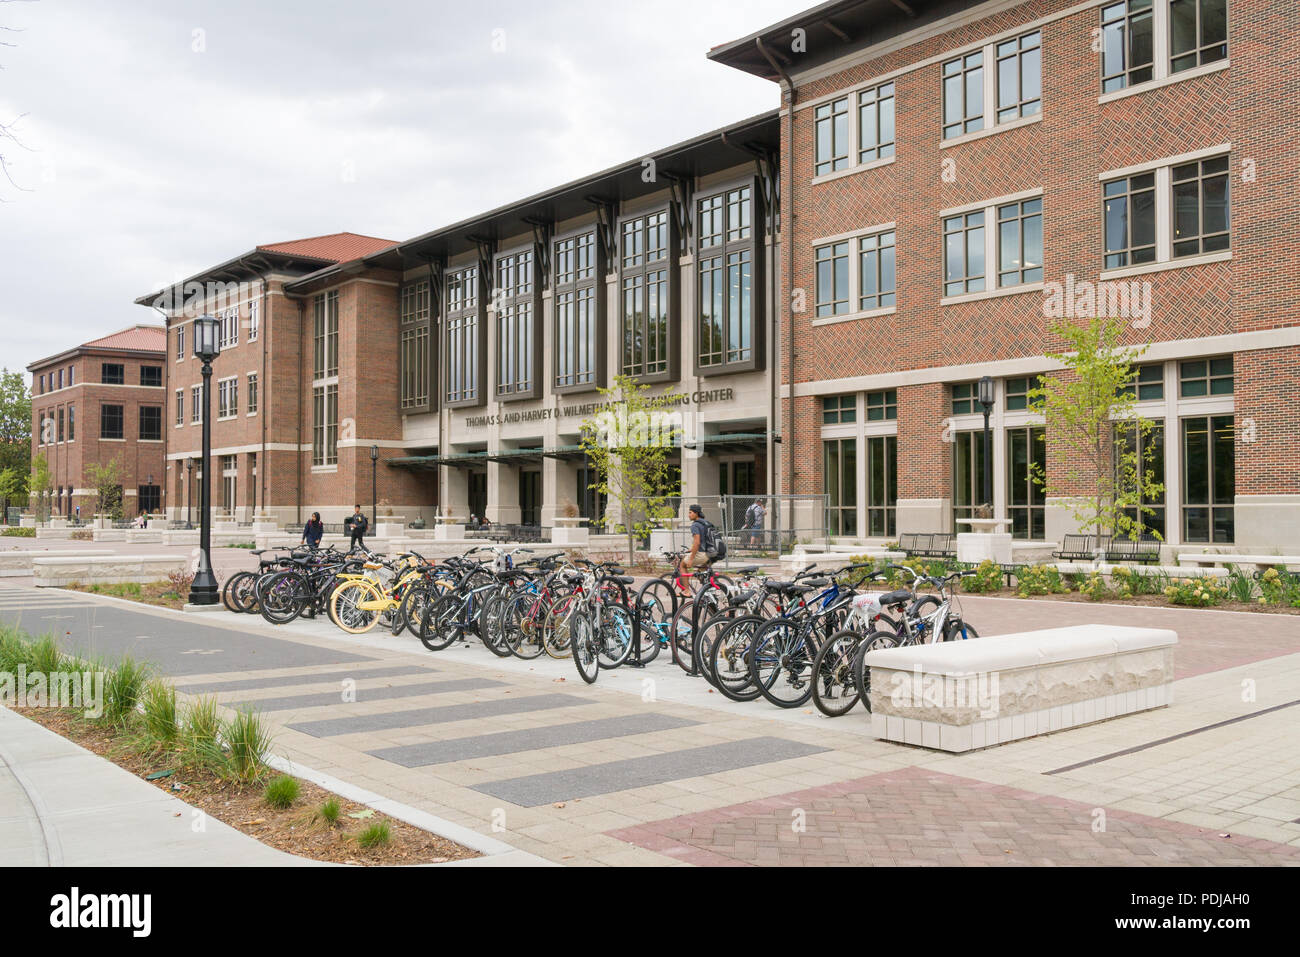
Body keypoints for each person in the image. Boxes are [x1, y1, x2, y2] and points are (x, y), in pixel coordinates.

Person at [685, 503, 723, 569]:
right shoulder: (706, 523)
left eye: (690, 513)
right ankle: (712, 579)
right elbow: (705, 539)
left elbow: (697, 543)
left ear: (696, 513)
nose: (689, 515)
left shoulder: (695, 525)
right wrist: (692, 549)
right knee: (702, 574)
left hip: (703, 554)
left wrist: (691, 559)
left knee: (682, 565)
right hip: (714, 552)